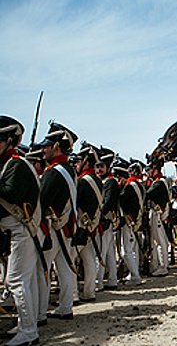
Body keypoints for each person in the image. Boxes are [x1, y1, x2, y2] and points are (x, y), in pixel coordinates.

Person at [0, 116, 41, 346]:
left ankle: (28, 331)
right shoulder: (9, 165)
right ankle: (29, 325)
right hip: (13, 230)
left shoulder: (16, 164)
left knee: (16, 280)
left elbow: (10, 194)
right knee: (25, 281)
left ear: (9, 141)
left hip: (20, 229)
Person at [37, 121, 79, 325]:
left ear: (56, 146)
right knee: (64, 268)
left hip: (52, 228)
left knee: (43, 269)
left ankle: (39, 313)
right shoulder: (69, 170)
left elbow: (41, 200)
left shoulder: (54, 172)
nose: (42, 150)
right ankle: (65, 307)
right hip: (66, 227)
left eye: (46, 146)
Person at [74, 142, 104, 302]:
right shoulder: (98, 181)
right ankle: (89, 291)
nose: (76, 164)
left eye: (79, 162)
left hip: (80, 224)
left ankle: (71, 295)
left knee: (71, 260)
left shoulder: (83, 181)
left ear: (86, 162)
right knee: (90, 260)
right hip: (92, 224)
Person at [95, 146, 119, 291]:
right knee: (109, 253)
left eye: (101, 166)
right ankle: (112, 279)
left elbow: (108, 202)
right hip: (105, 221)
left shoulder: (110, 182)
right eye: (97, 166)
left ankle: (98, 282)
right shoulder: (103, 181)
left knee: (101, 253)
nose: (99, 169)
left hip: (104, 220)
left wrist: (97, 216)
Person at [119, 159, 145, 285]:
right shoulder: (139, 185)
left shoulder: (130, 186)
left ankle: (135, 276)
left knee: (127, 251)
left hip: (129, 220)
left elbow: (121, 201)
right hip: (136, 219)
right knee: (133, 250)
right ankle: (133, 274)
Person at [145, 163, 171, 277]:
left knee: (159, 241)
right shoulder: (157, 182)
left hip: (157, 213)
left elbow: (147, 194)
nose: (147, 173)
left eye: (150, 170)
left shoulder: (158, 183)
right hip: (155, 213)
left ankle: (163, 266)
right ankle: (156, 265)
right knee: (156, 241)